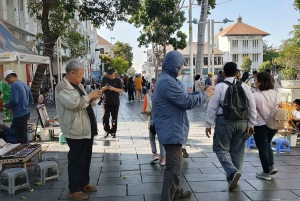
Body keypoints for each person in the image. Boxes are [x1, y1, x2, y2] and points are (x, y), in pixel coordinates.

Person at [152, 50, 214, 201]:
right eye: (180, 65)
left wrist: (201, 92)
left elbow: (184, 97)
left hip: (171, 129)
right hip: (171, 131)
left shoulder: (167, 79)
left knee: (175, 167)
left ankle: (176, 191)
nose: (181, 69)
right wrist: (205, 95)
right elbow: (186, 102)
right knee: (173, 169)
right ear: (174, 65)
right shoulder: (167, 81)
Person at [55, 59, 102, 200]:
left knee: (86, 158)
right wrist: (89, 96)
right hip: (75, 129)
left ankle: (84, 183)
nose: (82, 77)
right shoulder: (61, 87)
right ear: (72, 72)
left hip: (86, 127)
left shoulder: (78, 84)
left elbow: (85, 102)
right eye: (80, 74)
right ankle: (74, 190)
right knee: (76, 160)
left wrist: (94, 97)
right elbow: (74, 104)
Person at [206, 62, 256, 191]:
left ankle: (232, 172)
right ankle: (233, 176)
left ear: (223, 73)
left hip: (225, 121)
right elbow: (252, 105)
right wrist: (251, 123)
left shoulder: (220, 86)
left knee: (220, 149)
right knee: (237, 151)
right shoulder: (245, 86)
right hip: (242, 122)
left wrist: (208, 124)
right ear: (237, 73)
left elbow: (212, 107)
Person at [253, 72, 280, 180]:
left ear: (260, 82)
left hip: (260, 125)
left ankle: (266, 172)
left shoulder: (255, 95)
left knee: (262, 148)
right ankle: (271, 165)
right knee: (267, 144)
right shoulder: (276, 94)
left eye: (256, 80)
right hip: (274, 123)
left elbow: (252, 111)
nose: (254, 82)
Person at [4, 70, 33, 144]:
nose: (8, 83)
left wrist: (6, 105)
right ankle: (27, 148)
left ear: (10, 77)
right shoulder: (24, 84)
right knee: (23, 132)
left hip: (19, 114)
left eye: (7, 80)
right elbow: (30, 99)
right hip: (26, 112)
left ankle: (24, 152)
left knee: (19, 136)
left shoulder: (14, 85)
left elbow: (14, 100)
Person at [101, 67, 123, 138]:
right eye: (108, 74)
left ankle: (113, 131)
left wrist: (113, 88)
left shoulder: (118, 80)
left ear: (114, 73)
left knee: (114, 118)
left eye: (111, 74)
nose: (109, 75)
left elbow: (120, 90)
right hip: (106, 102)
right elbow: (100, 89)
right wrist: (106, 87)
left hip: (115, 102)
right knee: (105, 117)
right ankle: (106, 130)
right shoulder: (104, 79)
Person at [146, 97, 165, 166]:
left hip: (153, 124)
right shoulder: (163, 101)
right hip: (162, 124)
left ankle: (154, 154)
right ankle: (162, 158)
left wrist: (151, 111)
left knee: (152, 138)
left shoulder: (151, 101)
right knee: (161, 141)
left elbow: (148, 113)